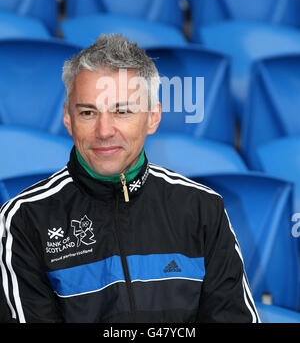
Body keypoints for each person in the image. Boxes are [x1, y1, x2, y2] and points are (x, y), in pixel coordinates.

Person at [0, 34, 260, 323]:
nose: (104, 131)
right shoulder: (24, 220)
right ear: (67, 118)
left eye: (122, 111)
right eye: (88, 112)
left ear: (153, 117)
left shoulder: (202, 209)